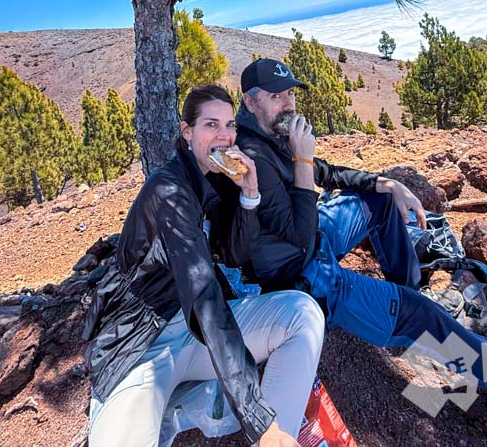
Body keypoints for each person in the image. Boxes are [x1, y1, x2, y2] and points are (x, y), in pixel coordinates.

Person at [227, 58, 487, 443]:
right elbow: (300, 233)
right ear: (249, 100)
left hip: (313, 243)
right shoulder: (251, 157)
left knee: (379, 201)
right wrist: (301, 157)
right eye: (277, 96)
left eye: (291, 94)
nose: (289, 103)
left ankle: (408, 290)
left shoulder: (272, 133)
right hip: (305, 279)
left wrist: (385, 183)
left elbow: (323, 172)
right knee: (423, 317)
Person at [84, 84, 325, 447]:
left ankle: (281, 439)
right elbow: (204, 296)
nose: (225, 135)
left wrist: (249, 195)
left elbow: (233, 256)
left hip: (194, 338)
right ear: (187, 132)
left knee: (301, 313)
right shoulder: (168, 190)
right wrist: (258, 420)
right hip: (143, 344)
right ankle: (265, 431)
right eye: (211, 125)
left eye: (229, 125)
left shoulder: (214, 177)